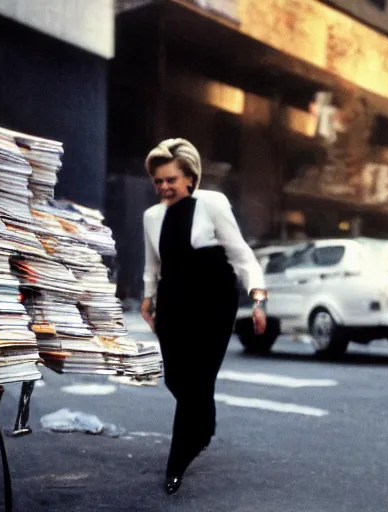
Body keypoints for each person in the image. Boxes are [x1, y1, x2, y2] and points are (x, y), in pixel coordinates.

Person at [139, 139, 267, 495]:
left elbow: (241, 256)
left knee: (197, 380)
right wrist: (148, 298)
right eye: (158, 181)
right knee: (176, 380)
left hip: (213, 300)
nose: (164, 187)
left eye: (171, 180)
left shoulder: (212, 204)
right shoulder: (152, 216)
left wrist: (258, 299)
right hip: (174, 302)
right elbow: (153, 264)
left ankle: (177, 461)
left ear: (190, 179)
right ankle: (206, 425)